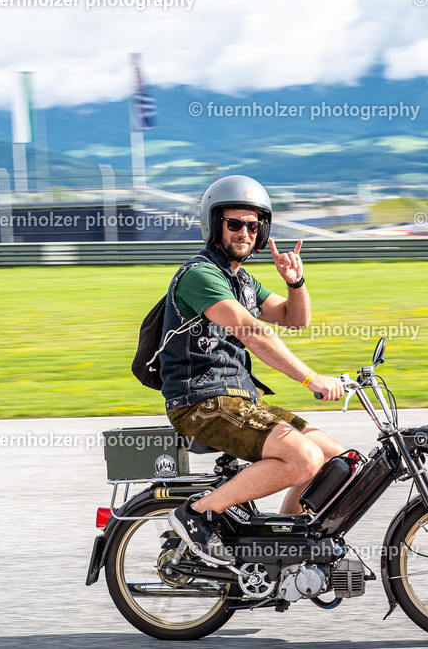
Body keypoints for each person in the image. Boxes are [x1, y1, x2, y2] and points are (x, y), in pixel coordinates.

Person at [160, 175, 346, 567]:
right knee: (304, 459)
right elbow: (254, 333)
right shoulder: (201, 275)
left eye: (253, 224)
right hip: (201, 400)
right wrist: (311, 379)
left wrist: (296, 282)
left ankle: (287, 552)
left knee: (337, 461)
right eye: (234, 223)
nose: (245, 232)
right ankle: (196, 515)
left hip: (241, 400)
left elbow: (294, 319)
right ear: (214, 226)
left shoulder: (242, 280)